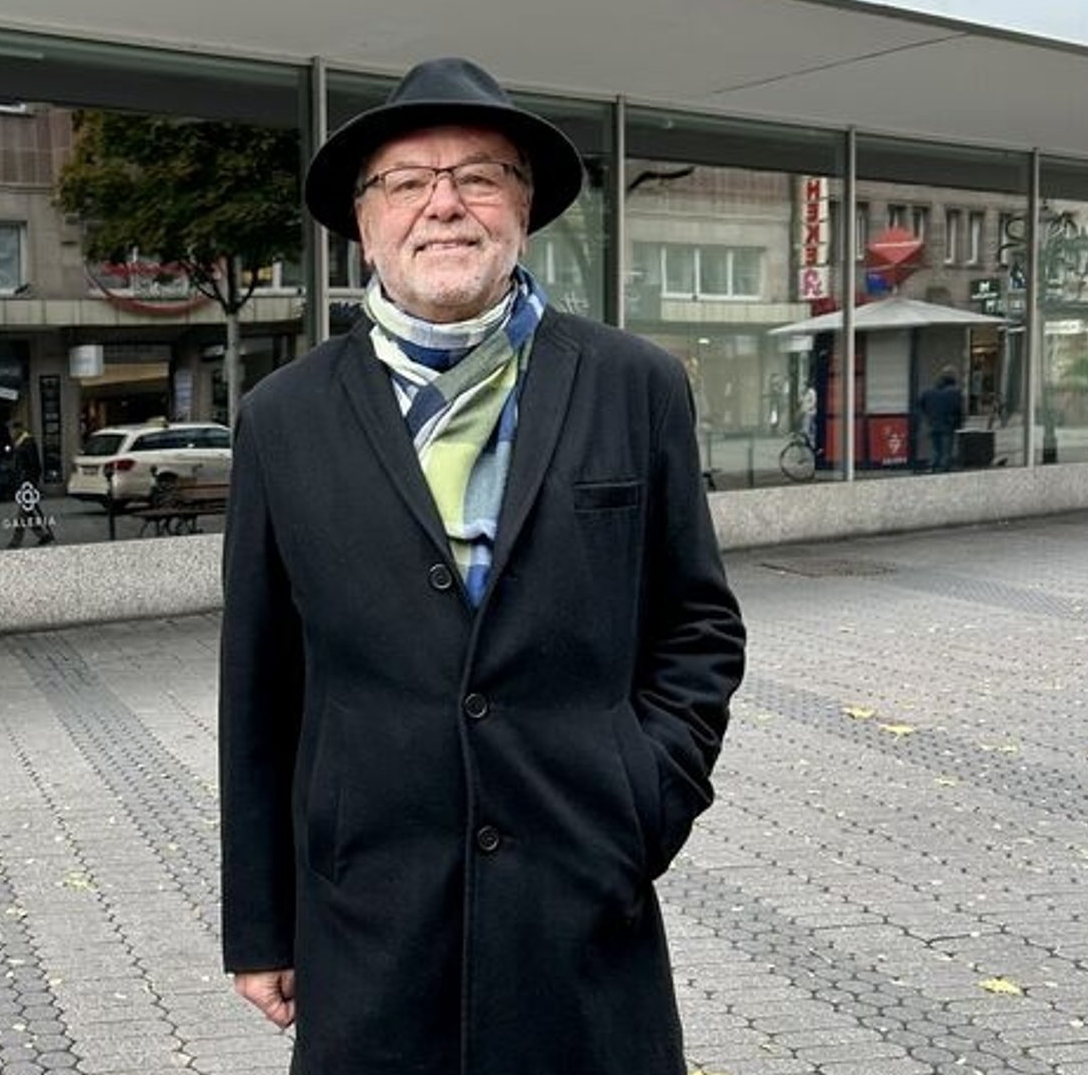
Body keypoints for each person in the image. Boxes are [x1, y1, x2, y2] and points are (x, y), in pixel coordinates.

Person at [219, 57, 746, 1075]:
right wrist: (259, 921)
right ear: (362, 222)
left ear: (523, 206)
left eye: (478, 176)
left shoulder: (633, 385)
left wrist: (643, 796)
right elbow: (260, 679)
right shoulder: (282, 417)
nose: (443, 205)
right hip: (367, 907)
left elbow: (695, 623)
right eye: (406, 182)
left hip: (579, 895)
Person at [4, 419, 54, 547]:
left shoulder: (28, 443)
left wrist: (30, 483)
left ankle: (16, 541)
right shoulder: (20, 443)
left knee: (22, 514)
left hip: (27, 483)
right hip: (23, 483)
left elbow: (35, 465)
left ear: (18, 429)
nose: (10, 433)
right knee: (28, 511)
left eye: (11, 430)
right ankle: (44, 535)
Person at [915, 367, 964, 473]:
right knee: (946, 450)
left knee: (935, 449)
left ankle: (933, 466)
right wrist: (958, 423)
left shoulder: (928, 393)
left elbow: (919, 405)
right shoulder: (954, 393)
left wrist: (928, 417)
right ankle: (943, 468)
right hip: (947, 425)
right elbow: (958, 410)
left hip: (932, 424)